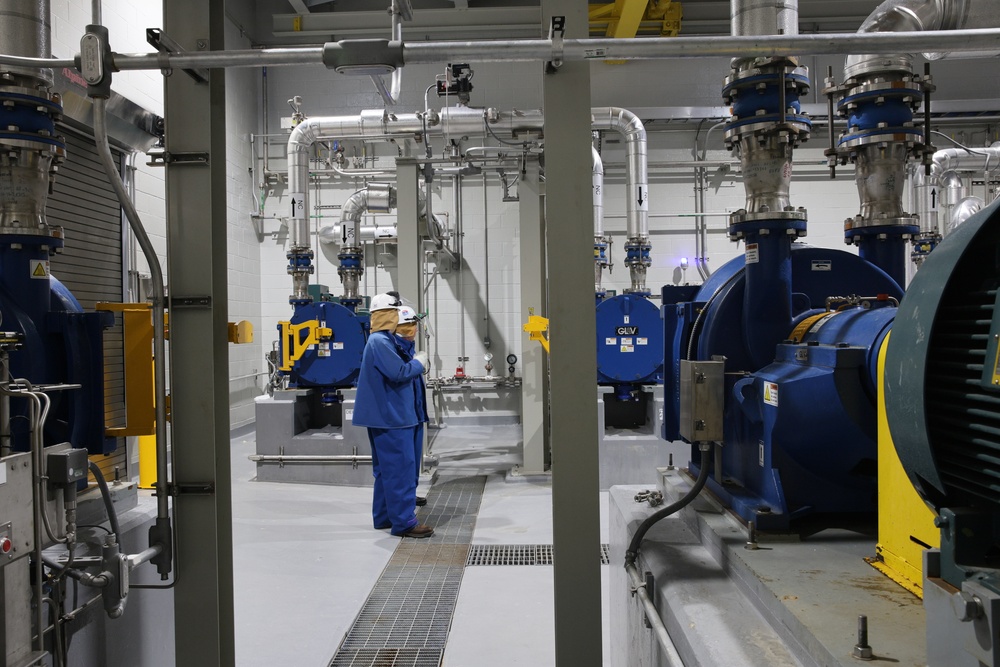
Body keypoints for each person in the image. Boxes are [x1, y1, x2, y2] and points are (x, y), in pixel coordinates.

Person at [352, 293, 434, 538]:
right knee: (400, 470)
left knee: (388, 470)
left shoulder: (387, 341)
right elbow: (399, 372)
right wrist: (419, 363)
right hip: (392, 418)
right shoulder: (380, 342)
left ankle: (385, 516)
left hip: (399, 416)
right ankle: (404, 523)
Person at [395, 306, 429, 507]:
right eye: (407, 326)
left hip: (416, 413)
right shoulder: (390, 347)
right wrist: (418, 363)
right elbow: (401, 373)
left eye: (413, 326)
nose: (412, 331)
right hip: (403, 416)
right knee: (404, 463)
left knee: (414, 461)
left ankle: (411, 493)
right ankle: (403, 503)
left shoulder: (408, 347)